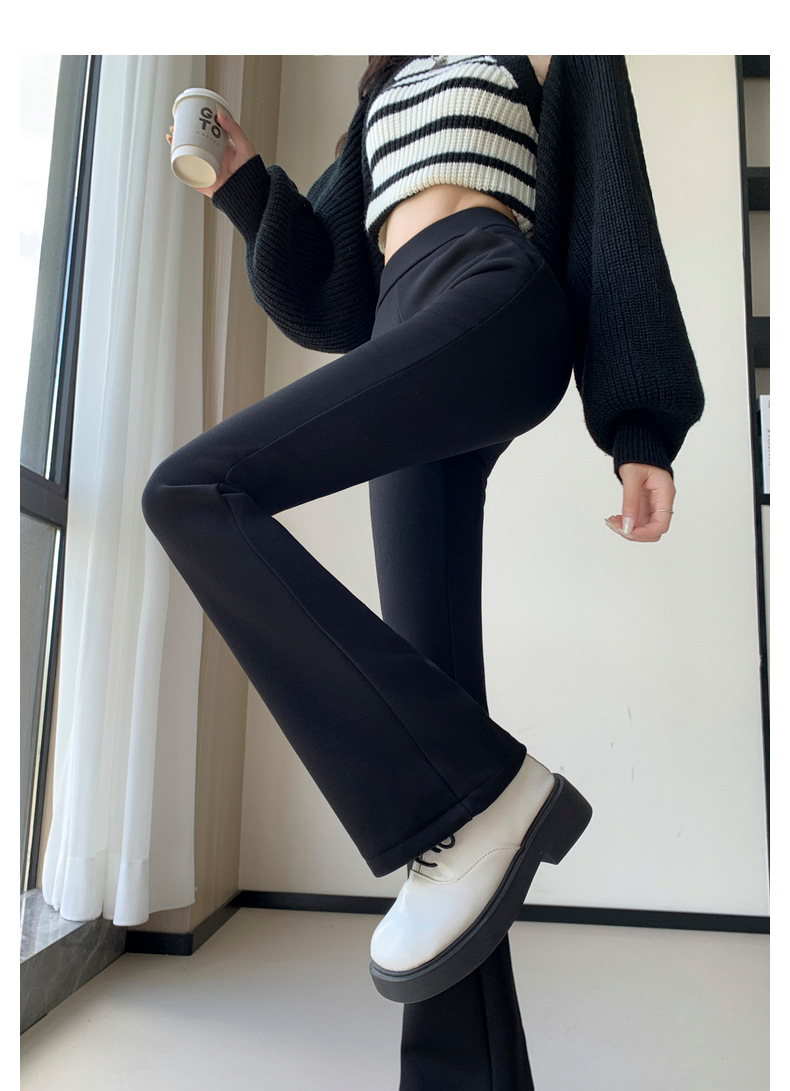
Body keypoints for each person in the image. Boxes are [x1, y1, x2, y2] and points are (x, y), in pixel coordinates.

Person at [149, 55, 704, 1091]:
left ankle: (492, 789)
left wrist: (641, 425)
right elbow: (326, 294)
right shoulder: (387, 87)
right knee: (445, 764)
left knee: (190, 489)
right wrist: (243, 182)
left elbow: (613, 205)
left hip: (492, 294)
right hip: (401, 325)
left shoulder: (542, 42)